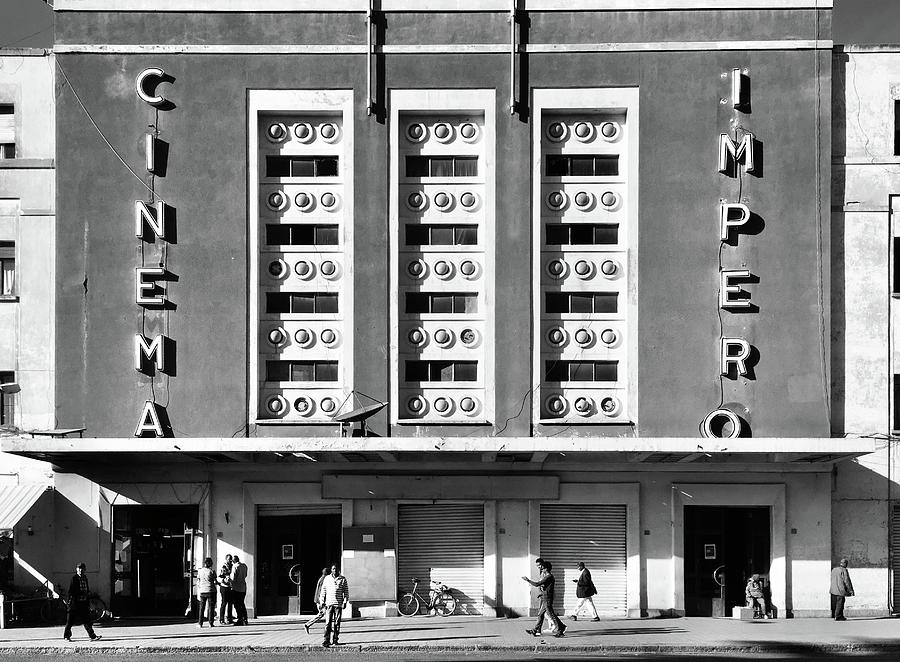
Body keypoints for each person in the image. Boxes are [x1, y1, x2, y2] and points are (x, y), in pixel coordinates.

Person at [522, 558, 566, 638]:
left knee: (551, 614)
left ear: (546, 568)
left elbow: (537, 584)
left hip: (547, 598)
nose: (541, 569)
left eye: (543, 568)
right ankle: (535, 630)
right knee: (540, 614)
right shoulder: (547, 576)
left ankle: (561, 628)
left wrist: (528, 580)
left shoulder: (548, 577)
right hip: (545, 597)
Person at [63, 563, 102, 642]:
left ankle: (92, 636)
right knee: (70, 620)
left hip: (83, 602)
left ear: (85, 570)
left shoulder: (85, 578)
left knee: (87, 621)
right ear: (76, 569)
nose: (80, 570)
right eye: (79, 568)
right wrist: (71, 600)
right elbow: (72, 591)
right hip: (75, 603)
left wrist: (88, 596)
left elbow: (86, 589)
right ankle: (66, 636)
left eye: (82, 569)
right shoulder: (74, 578)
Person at [319, 563, 349, 648]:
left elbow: (346, 592)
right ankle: (326, 640)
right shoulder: (327, 579)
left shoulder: (342, 579)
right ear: (331, 570)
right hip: (329, 604)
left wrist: (345, 602)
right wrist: (322, 602)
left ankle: (335, 639)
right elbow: (323, 591)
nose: (334, 570)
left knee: (337, 623)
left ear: (338, 569)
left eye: (336, 569)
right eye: (333, 569)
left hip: (338, 605)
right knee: (328, 623)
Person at [304, 567, 330, 635]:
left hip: (319, 600)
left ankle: (329, 628)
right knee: (323, 614)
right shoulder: (324, 580)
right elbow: (322, 591)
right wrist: (322, 601)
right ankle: (307, 624)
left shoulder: (321, 578)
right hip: (320, 601)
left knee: (327, 613)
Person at [197, 557, 218, 628]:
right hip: (211, 590)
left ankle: (200, 623)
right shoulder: (212, 571)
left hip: (202, 591)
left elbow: (198, 581)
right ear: (210, 563)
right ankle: (210, 623)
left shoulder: (200, 571)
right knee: (211, 607)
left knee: (202, 607)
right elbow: (215, 581)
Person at [230, 554, 249, 626]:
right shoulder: (244, 566)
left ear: (233, 561)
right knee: (242, 603)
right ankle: (245, 618)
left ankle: (240, 618)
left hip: (236, 587)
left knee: (236, 604)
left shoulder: (235, 566)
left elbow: (233, 577)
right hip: (243, 586)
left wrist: (229, 580)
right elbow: (246, 575)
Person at [218, 554, 234, 624]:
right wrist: (224, 580)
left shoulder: (233, 566)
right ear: (226, 559)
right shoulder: (223, 566)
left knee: (230, 603)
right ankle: (221, 619)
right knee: (224, 602)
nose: (230, 560)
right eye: (228, 559)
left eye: (231, 559)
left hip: (230, 587)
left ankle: (229, 618)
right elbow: (219, 577)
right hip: (224, 587)